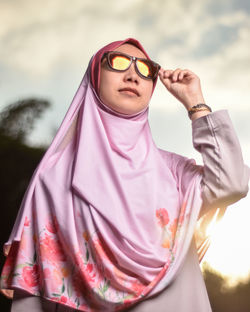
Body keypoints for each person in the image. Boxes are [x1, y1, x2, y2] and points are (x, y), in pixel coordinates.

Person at [0, 38, 249, 312]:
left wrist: (195, 102)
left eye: (145, 69)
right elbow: (35, 295)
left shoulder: (174, 172)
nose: (132, 75)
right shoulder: (55, 179)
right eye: (117, 63)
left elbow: (232, 183)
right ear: (94, 77)